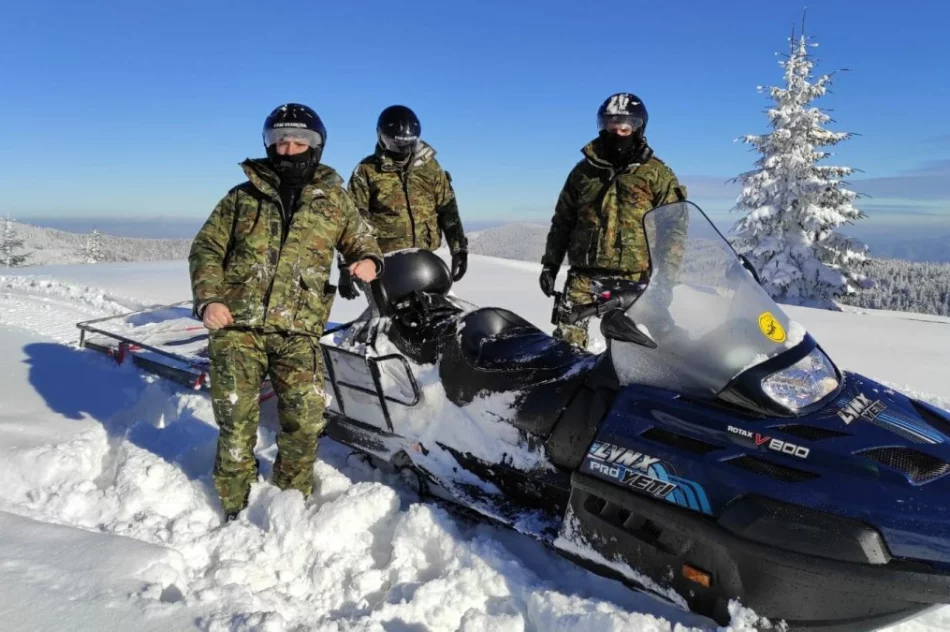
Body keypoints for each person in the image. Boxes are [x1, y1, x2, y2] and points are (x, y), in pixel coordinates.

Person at [189, 103, 383, 521]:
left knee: (306, 419)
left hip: (298, 330)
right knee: (237, 420)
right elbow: (207, 247)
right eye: (280, 142)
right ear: (269, 145)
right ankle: (235, 506)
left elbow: (363, 240)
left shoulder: (335, 201)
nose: (289, 149)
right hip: (237, 326)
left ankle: (289, 503)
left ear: (316, 146)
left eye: (300, 142)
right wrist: (210, 299)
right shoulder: (242, 197)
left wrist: (368, 260)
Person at [539, 92, 688, 348]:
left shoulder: (656, 173)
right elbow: (562, 221)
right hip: (586, 277)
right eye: (611, 125)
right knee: (565, 344)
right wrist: (550, 264)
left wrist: (665, 280)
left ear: (638, 128)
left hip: (637, 278)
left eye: (624, 127)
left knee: (661, 342)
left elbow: (674, 227)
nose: (617, 132)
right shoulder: (583, 172)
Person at [342, 105, 467, 300]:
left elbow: (447, 209)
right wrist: (346, 266)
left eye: (409, 144)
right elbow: (351, 223)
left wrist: (459, 248)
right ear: (381, 138)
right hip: (386, 265)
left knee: (441, 313)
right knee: (389, 324)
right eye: (395, 143)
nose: (402, 150)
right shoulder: (367, 171)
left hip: (426, 262)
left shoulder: (430, 168)